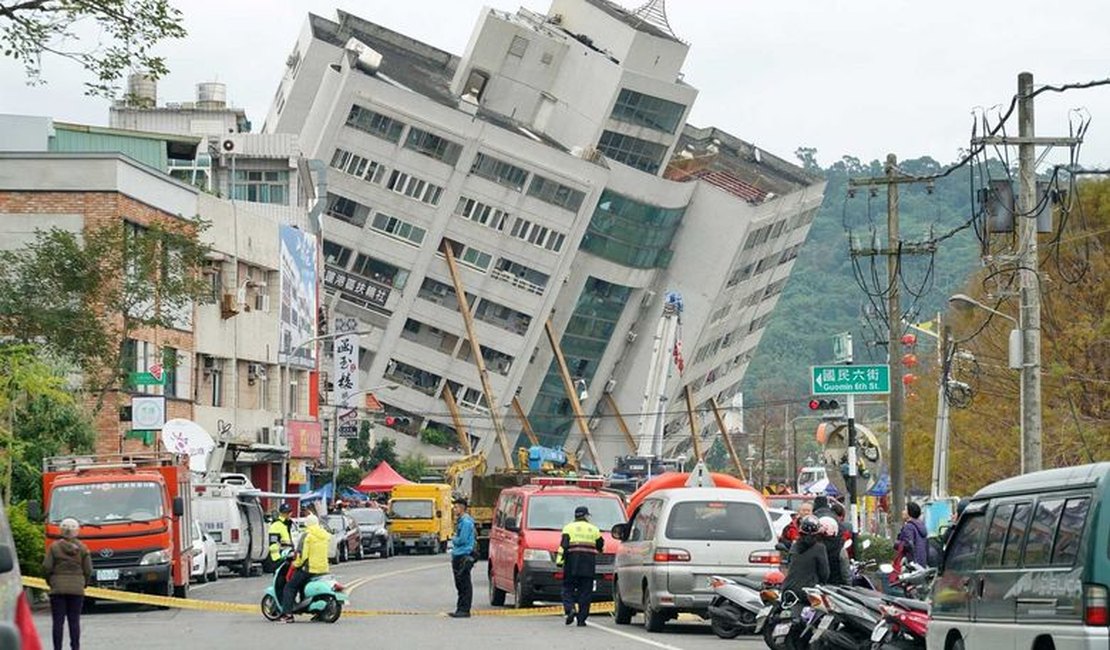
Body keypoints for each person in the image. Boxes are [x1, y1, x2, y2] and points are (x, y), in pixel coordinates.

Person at [43, 518, 92, 650]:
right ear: (77, 531)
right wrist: (84, 584)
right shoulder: (83, 548)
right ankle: (75, 647)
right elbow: (88, 570)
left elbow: (47, 567)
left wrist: (50, 582)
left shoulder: (53, 547)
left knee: (58, 622)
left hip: (57, 589)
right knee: (74, 621)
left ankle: (57, 648)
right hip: (76, 589)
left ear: (61, 530)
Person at [555, 506, 604, 627]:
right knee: (585, 592)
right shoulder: (594, 529)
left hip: (571, 564)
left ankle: (570, 609)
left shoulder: (568, 528)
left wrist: (559, 562)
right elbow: (600, 546)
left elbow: (563, 546)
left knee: (567, 589)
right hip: (588, 565)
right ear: (586, 516)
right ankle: (582, 619)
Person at [280, 513, 330, 623]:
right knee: (303, 585)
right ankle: (317, 612)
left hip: (309, 568)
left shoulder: (307, 535)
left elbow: (302, 555)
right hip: (323, 568)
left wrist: (295, 564)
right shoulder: (324, 535)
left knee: (290, 587)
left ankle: (288, 614)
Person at [780, 515, 829, 599]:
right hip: (807, 593)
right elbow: (824, 574)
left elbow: (789, 564)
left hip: (787, 590)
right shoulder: (820, 548)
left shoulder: (794, 546)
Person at [449, 495, 476, 618]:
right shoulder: (462, 521)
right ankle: (460, 608)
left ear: (461, 508)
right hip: (459, 554)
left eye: (455, 507)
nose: (454, 510)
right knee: (459, 584)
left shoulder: (465, 522)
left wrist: (454, 539)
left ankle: (464, 609)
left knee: (464, 583)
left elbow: (462, 539)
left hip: (463, 554)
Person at [818, 516, 850, 585]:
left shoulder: (813, 546)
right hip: (836, 588)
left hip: (817, 586)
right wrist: (849, 585)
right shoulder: (840, 548)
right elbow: (845, 572)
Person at [265, 503, 294, 573]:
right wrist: (279, 557)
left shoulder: (289, 524)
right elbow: (273, 544)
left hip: (288, 556)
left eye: (289, 512)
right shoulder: (276, 525)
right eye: (285, 512)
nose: (288, 514)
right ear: (281, 513)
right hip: (279, 558)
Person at [898, 501, 928, 567]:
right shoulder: (921, 526)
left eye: (905, 510)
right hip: (921, 562)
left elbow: (908, 544)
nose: (902, 512)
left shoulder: (909, 527)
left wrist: (896, 544)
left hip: (911, 564)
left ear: (910, 513)